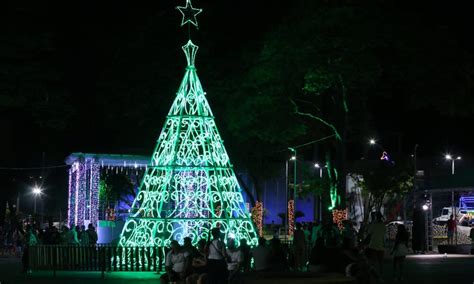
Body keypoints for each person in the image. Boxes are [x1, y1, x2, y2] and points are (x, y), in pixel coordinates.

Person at [365, 212, 385, 276]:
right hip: (381, 245)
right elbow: (383, 235)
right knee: (380, 262)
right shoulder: (383, 225)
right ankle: (380, 275)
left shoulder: (373, 225)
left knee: (372, 262)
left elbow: (369, 235)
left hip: (373, 245)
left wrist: (364, 242)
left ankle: (372, 274)